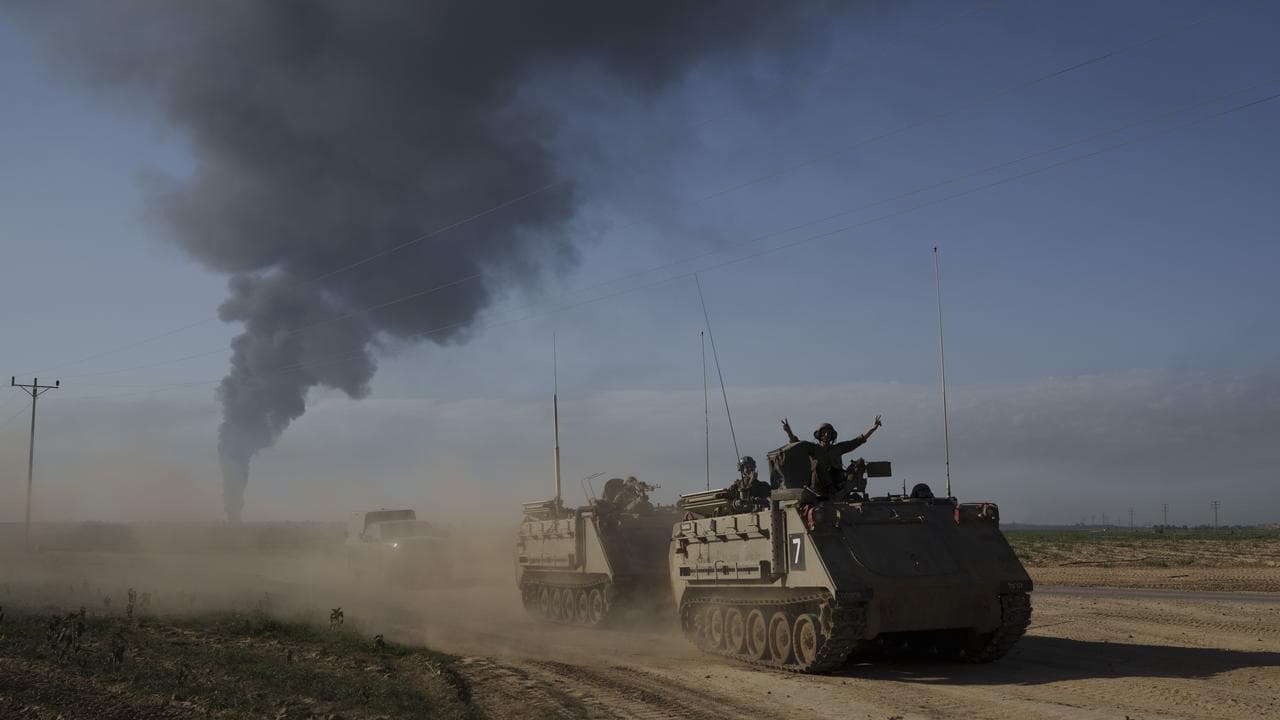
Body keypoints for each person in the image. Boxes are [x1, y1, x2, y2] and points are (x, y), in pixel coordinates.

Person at [781, 415, 882, 497]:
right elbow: (798, 445)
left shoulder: (837, 448)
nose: (826, 435)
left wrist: (872, 429)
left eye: (829, 433)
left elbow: (857, 441)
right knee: (818, 464)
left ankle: (839, 492)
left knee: (858, 464)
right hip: (818, 484)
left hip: (837, 481)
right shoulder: (813, 449)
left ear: (832, 436)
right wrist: (789, 432)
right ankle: (831, 491)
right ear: (819, 435)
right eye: (824, 432)